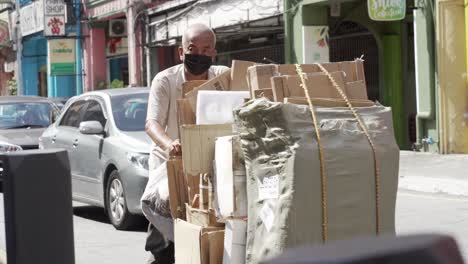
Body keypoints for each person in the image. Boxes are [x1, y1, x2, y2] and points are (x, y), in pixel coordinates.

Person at [144, 23, 229, 264]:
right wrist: (170, 144)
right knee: (166, 219)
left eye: (206, 49)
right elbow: (152, 124)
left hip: (210, 162)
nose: (199, 55)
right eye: (192, 48)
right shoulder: (165, 81)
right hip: (169, 163)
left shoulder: (223, 78)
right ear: (181, 52)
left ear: (214, 53)